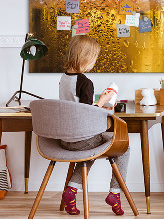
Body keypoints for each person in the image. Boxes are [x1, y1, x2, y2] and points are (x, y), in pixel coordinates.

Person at [59, 35, 130, 216]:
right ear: (86, 58)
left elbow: (76, 107)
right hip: (82, 139)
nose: (94, 62)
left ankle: (72, 191)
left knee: (89, 151)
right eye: (94, 58)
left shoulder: (64, 78)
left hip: (65, 139)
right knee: (124, 147)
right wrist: (103, 101)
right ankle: (115, 193)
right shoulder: (85, 82)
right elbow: (87, 114)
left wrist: (100, 103)